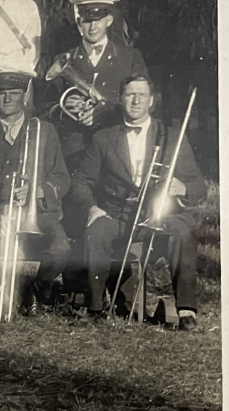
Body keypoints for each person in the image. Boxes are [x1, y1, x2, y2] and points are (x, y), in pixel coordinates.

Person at [70, 75, 206, 327]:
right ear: (121, 100)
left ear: (151, 101)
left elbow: (199, 187)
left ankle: (187, 311)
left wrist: (182, 187)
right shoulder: (103, 138)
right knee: (96, 232)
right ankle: (95, 308)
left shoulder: (172, 137)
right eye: (130, 94)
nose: (135, 100)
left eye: (141, 95)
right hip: (117, 215)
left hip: (160, 215)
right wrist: (92, 208)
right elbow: (81, 181)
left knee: (183, 230)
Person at [0, 73, 71, 314]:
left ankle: (36, 290)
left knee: (61, 249)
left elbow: (62, 178)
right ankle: (2, 291)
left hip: (37, 213)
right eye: (1, 93)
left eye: (14, 93)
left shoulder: (44, 131)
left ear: (25, 96)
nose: (7, 98)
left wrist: (36, 191)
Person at [43, 0, 149, 169]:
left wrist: (111, 110)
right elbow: (45, 107)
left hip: (116, 145)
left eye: (98, 20)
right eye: (86, 21)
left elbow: (146, 104)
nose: (92, 27)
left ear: (109, 20)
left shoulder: (130, 57)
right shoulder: (63, 59)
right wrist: (64, 108)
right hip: (74, 149)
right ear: (79, 23)